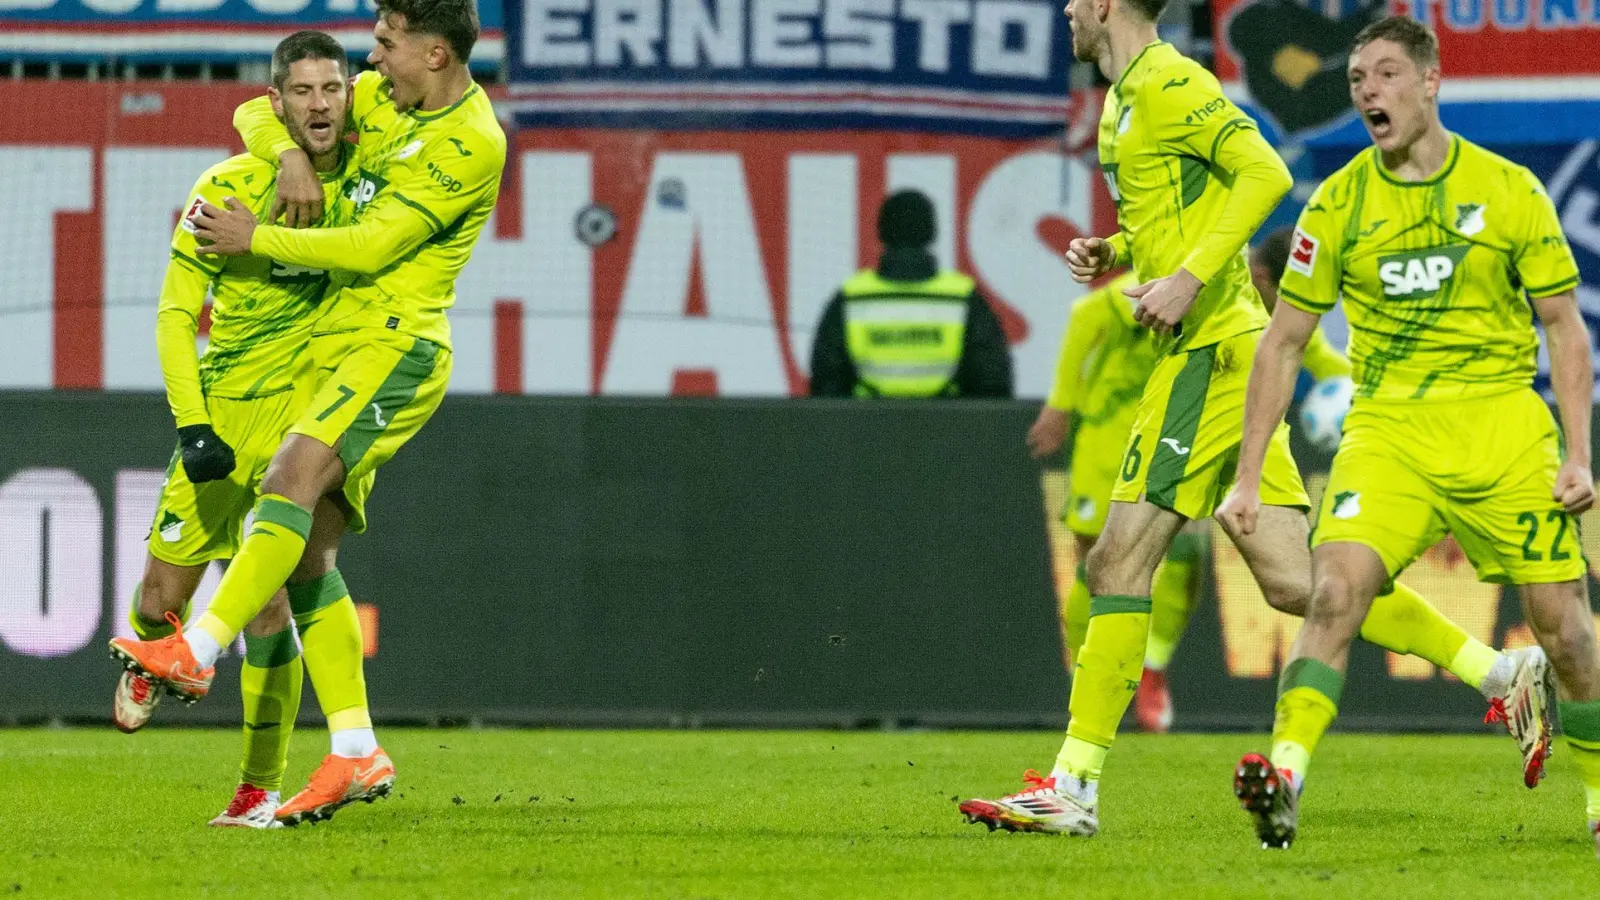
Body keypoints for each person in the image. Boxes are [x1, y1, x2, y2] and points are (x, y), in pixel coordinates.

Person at [958, 0, 1549, 838]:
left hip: (1212, 352)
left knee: (1117, 563)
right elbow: (1182, 211)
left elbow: (1266, 172)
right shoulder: (1125, 97)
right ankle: (1503, 673)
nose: (1063, 11)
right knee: (1299, 586)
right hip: (1216, 353)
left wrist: (1191, 278)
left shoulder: (1168, 81)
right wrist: (1121, 250)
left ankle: (1073, 785)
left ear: (1102, 5)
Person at [109, 0, 506, 827]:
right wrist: (289, 152)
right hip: (338, 348)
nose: (370, 62)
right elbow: (258, 107)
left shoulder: (470, 141)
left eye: (386, 45)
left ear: (434, 54)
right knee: (309, 559)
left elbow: (368, 250)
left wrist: (258, 239)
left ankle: (198, 649)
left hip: (392, 344)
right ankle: (357, 749)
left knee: (288, 485)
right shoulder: (379, 100)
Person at [1220, 16, 1600, 855]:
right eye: (1358, 80)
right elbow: (1282, 343)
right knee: (1332, 592)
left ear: (1431, 82)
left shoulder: (1508, 191)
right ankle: (1284, 775)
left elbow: (1564, 329)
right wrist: (1248, 477)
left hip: (1500, 423)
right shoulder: (1340, 201)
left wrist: (1578, 454)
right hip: (1389, 431)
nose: (1368, 93)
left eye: (1387, 75)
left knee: (1566, 632)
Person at [109, 30, 360, 829]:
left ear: (349, 93)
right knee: (157, 600)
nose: (319, 105)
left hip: (308, 423)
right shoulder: (226, 186)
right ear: (278, 100)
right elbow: (176, 315)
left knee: (269, 606)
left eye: (333, 89)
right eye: (303, 92)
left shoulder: (369, 177)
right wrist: (192, 427)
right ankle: (156, 648)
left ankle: (259, 787)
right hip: (222, 418)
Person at [1028, 269, 1205, 733]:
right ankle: (1086, 680)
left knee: (1187, 551)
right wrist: (1061, 404)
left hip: (1172, 442)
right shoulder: (1149, 281)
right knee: (1097, 563)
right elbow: (1085, 316)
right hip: (1107, 443)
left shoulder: (1222, 287)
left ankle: (1151, 666)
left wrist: (1335, 376)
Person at [809, 189, 1013, 398]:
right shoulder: (962, 299)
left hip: (865, 428)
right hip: (947, 428)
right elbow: (992, 386)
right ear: (932, 233)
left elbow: (826, 386)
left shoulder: (851, 298)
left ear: (881, 232)